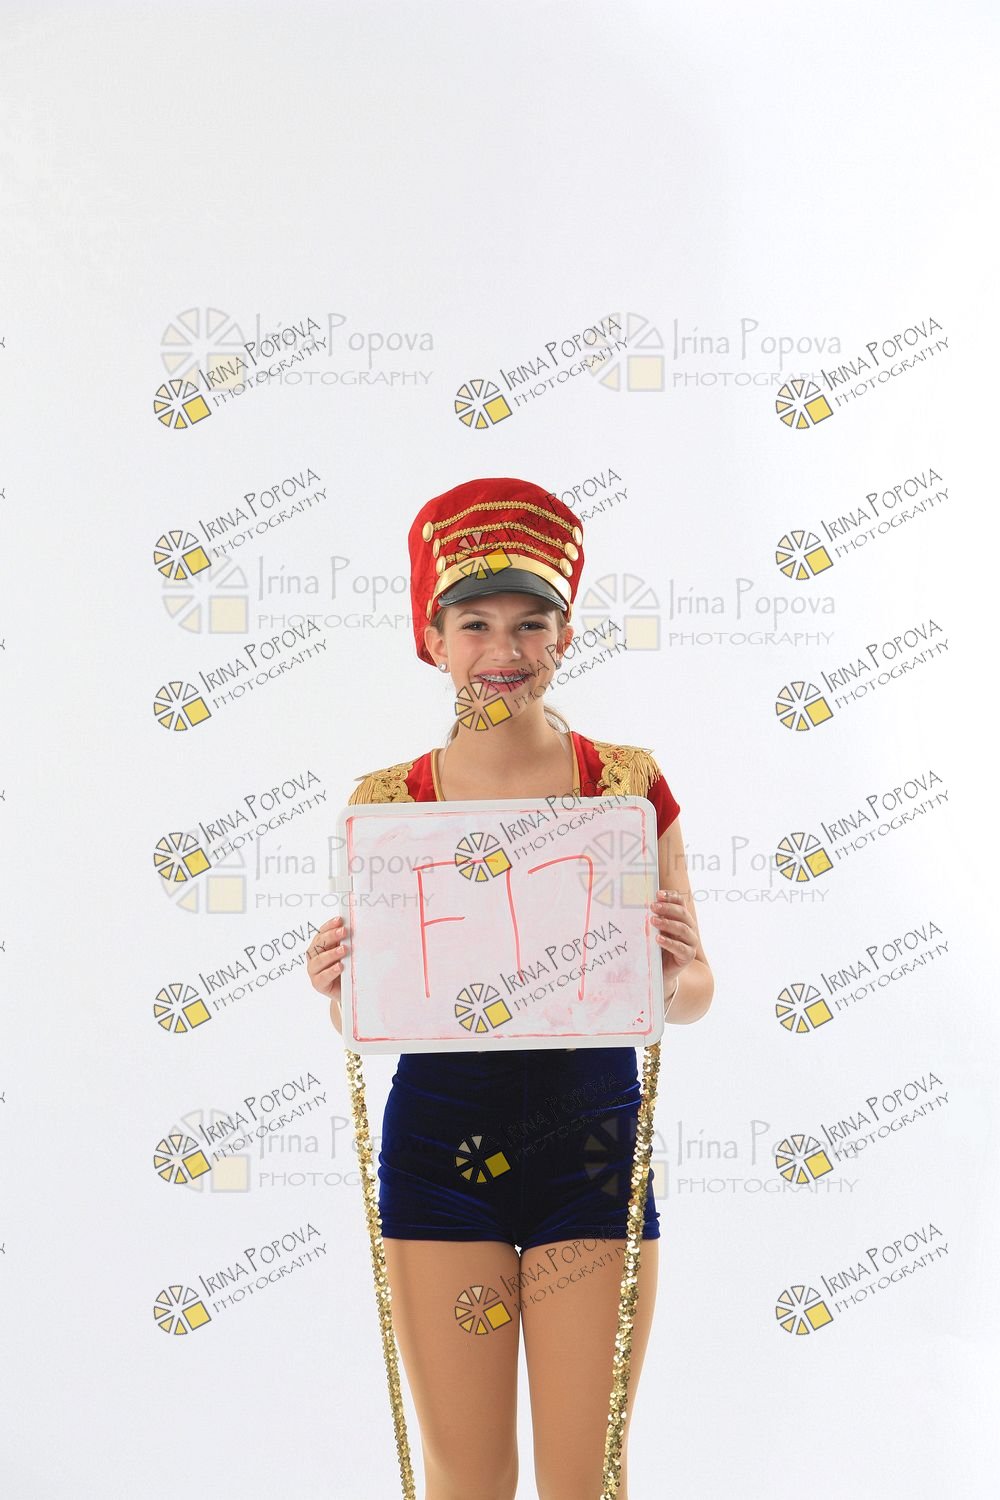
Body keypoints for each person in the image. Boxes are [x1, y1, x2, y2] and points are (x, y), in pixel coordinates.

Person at [307, 476, 714, 1500]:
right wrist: (336, 984)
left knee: (587, 1476)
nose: (504, 650)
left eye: (530, 624)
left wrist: (671, 972)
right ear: (433, 641)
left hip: (590, 1142)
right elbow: (378, 1006)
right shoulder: (388, 805)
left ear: (563, 638)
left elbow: (696, 988)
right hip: (441, 1145)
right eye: (476, 624)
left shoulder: (625, 785)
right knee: (467, 1475)